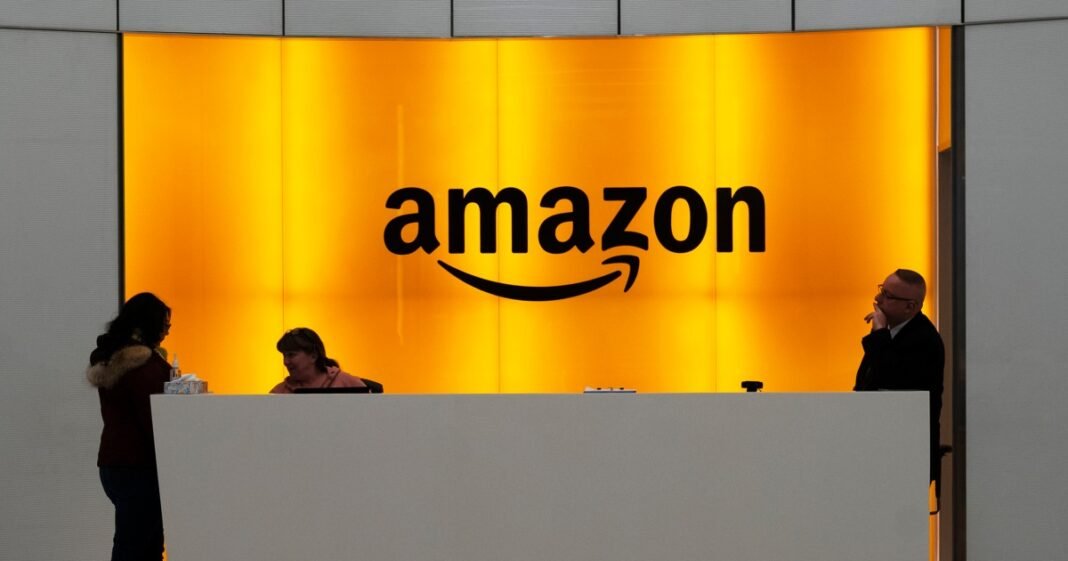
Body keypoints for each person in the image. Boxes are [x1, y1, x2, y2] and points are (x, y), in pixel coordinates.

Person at [86, 292, 172, 561]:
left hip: (113, 463)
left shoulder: (110, 357)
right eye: (164, 325)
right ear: (149, 324)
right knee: (141, 546)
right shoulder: (143, 365)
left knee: (132, 541)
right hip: (140, 465)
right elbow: (152, 417)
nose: (167, 331)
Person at [854, 269, 945, 488]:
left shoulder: (924, 340)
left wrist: (879, 333)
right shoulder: (891, 333)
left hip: (905, 452)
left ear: (910, 307)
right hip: (877, 446)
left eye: (887, 295)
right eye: (881, 290)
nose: (877, 298)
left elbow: (889, 377)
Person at [269, 327, 367, 393]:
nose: (285, 362)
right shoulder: (278, 393)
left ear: (313, 356)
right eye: (284, 356)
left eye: (291, 355)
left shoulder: (347, 383)